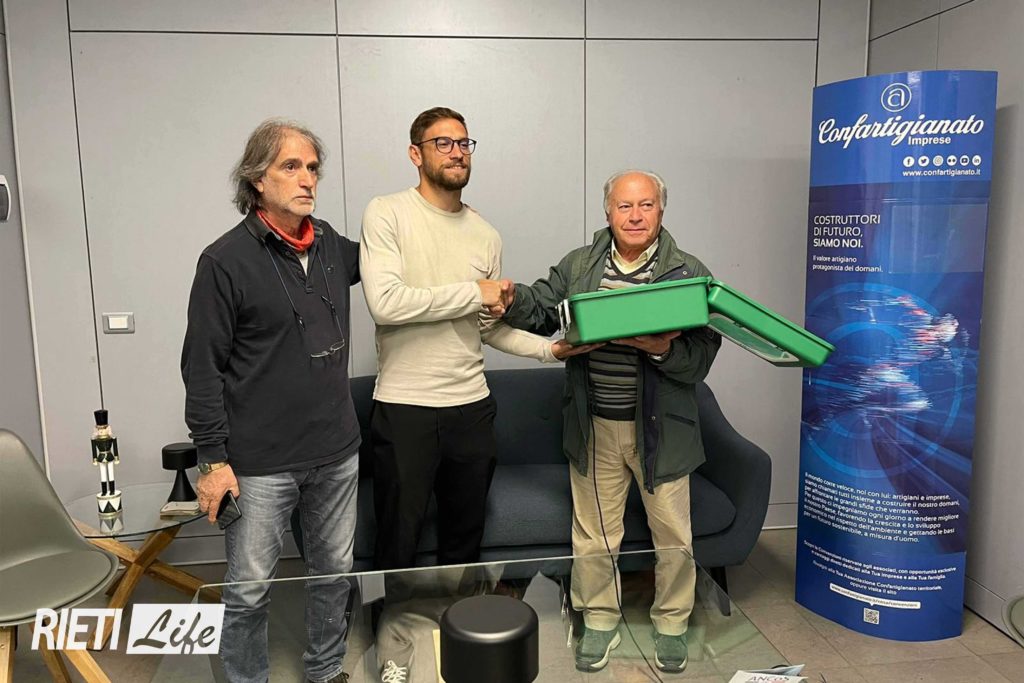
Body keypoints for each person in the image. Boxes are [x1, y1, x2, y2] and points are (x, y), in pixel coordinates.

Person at [359, 106, 591, 679]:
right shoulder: (387, 213)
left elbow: (487, 327)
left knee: (464, 538)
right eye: (442, 143)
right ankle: (394, 641)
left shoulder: (485, 233)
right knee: (399, 538)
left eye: (464, 142)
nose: (457, 152)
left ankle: (454, 636)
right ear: (416, 154)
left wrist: (550, 351)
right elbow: (386, 304)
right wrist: (474, 291)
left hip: (471, 408)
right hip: (406, 407)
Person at [500, 170, 721, 674]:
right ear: (608, 212)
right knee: (594, 535)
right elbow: (542, 307)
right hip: (594, 424)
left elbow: (700, 360)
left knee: (674, 538)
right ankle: (599, 620)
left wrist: (662, 350)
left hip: (662, 431)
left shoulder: (688, 272)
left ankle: (672, 625)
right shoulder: (580, 265)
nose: (635, 216)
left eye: (646, 205)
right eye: (625, 206)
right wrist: (512, 298)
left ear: (661, 210)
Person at [181, 119, 360, 683]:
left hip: (337, 450)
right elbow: (201, 368)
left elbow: (394, 256)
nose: (307, 179)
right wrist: (212, 461)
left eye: (313, 168)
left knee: (334, 573)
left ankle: (326, 669)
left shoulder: (329, 244)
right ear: (257, 179)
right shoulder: (224, 261)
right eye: (291, 166)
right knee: (249, 588)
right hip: (260, 462)